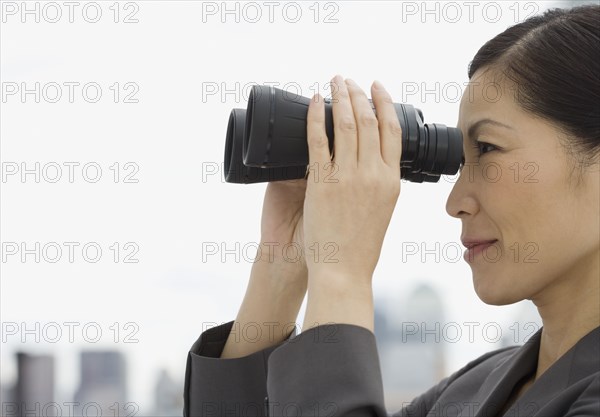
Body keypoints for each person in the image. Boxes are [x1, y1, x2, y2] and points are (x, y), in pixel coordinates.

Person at [184, 5, 599, 416]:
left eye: (488, 148)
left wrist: (342, 275)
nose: (455, 204)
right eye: (460, 161)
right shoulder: (469, 391)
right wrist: (283, 265)